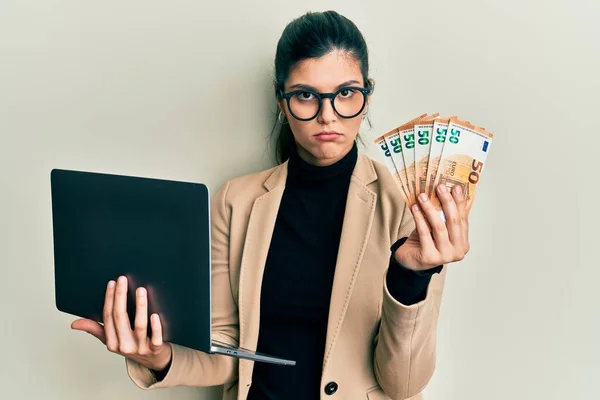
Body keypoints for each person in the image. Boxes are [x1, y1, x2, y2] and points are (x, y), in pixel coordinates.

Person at [71, 10, 470, 400]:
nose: (327, 115)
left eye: (346, 93)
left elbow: (403, 384)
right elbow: (228, 352)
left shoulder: (408, 202)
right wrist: (159, 357)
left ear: (367, 95)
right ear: (282, 102)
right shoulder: (237, 201)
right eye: (305, 96)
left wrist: (410, 276)